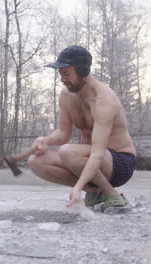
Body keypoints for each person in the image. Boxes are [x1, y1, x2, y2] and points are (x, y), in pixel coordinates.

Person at [28, 45, 136, 212]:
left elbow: (98, 153)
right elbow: (63, 133)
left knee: (67, 151)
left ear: (82, 70)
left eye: (66, 74)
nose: (62, 79)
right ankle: (94, 191)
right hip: (86, 162)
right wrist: (45, 140)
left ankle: (111, 194)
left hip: (119, 163)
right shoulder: (66, 95)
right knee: (36, 161)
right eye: (60, 74)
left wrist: (77, 187)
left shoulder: (104, 101)